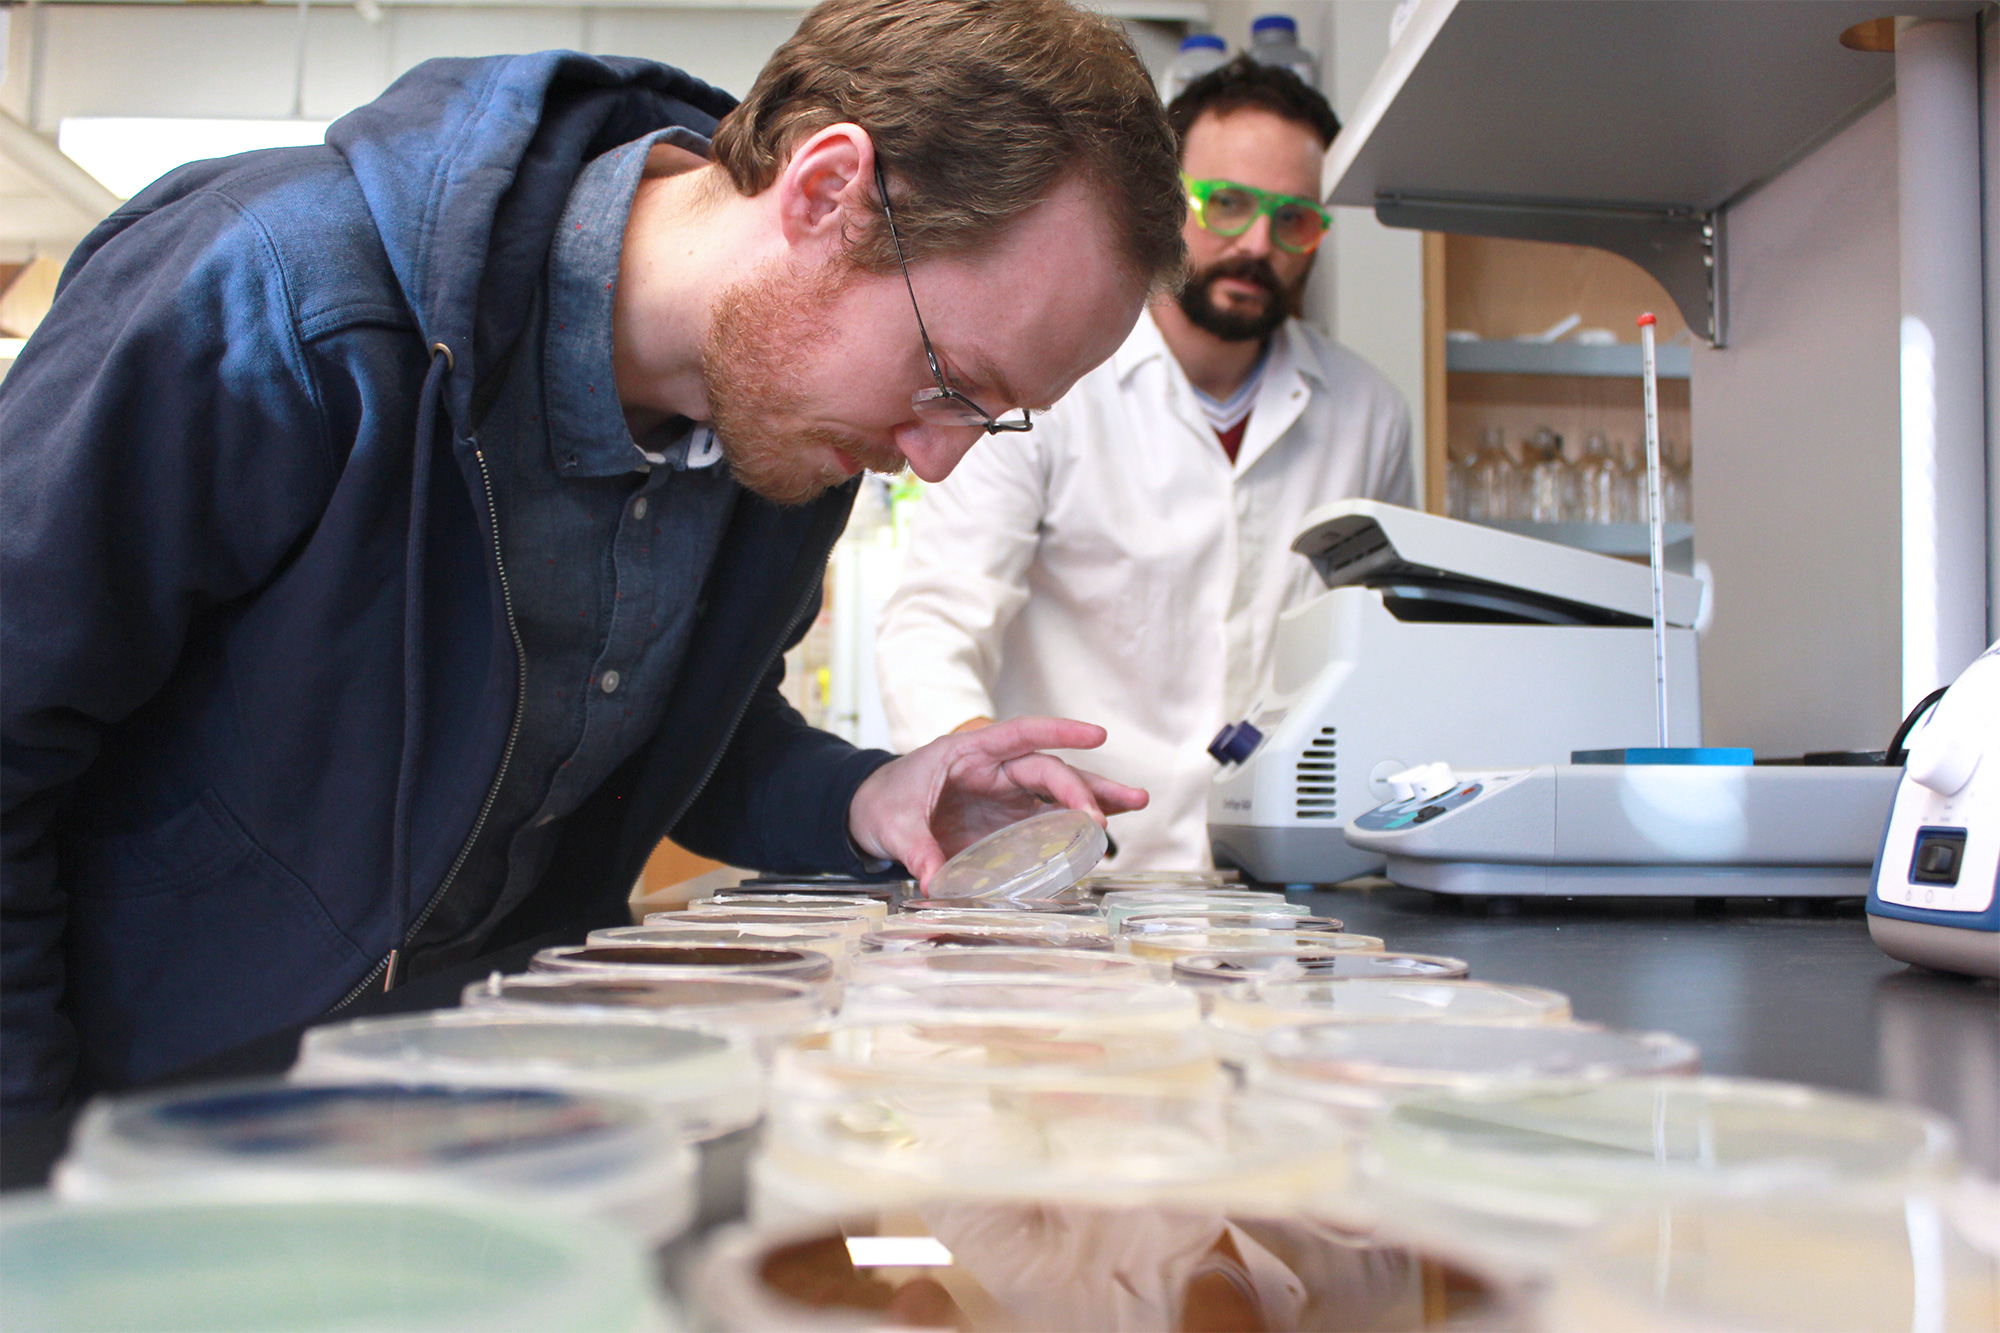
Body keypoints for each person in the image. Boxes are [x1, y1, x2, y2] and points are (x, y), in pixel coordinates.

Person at [0, 0, 1185, 1114]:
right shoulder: (276, 299)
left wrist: (863, 795)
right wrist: (31, 1171)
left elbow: (642, 742)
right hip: (159, 1138)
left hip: (467, 1124)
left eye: (990, 418)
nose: (931, 461)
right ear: (828, 192)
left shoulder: (782, 431)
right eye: (950, 383)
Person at [877, 56, 1413, 870]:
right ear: (1166, 201)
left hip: (1282, 895)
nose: (1258, 245)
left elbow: (1380, 655)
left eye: (1295, 219)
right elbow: (935, 620)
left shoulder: (1368, 413)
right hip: (1076, 875)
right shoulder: (1054, 381)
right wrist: (971, 765)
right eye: (1227, 205)